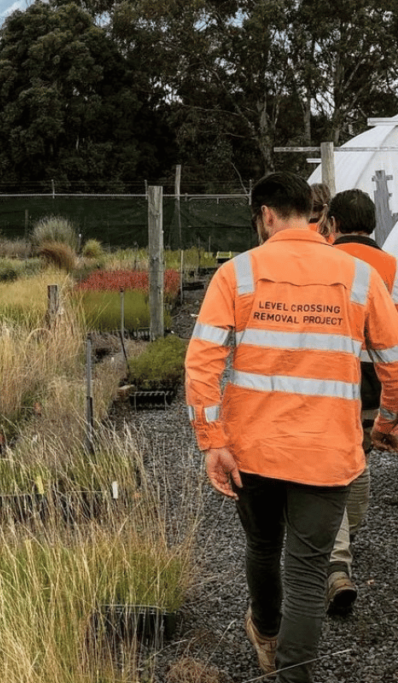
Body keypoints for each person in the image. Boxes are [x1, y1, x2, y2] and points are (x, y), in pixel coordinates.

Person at [185, 172, 398, 682]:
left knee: (262, 547)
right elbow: (393, 360)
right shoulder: (360, 276)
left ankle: (265, 632)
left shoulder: (237, 274)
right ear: (313, 212)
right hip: (328, 453)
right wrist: (388, 418)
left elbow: (202, 360)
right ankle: (292, 674)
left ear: (265, 215)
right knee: (307, 571)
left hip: (253, 450)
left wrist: (212, 441)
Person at [324, 189, 398, 614]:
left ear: (332, 222)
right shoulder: (389, 266)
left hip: (334, 381)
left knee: (334, 465)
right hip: (375, 383)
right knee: (358, 458)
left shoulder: (329, 262)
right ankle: (346, 537)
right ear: (373, 224)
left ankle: (338, 556)